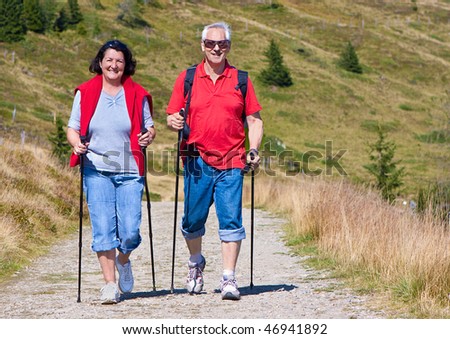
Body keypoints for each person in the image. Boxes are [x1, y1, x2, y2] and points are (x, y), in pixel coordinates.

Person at [166, 22, 263, 300]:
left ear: (229, 46)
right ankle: (196, 261)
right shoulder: (187, 78)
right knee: (192, 220)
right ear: (202, 45)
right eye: (210, 43)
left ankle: (229, 278)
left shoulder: (240, 79)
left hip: (232, 159)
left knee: (231, 219)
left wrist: (252, 149)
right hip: (196, 160)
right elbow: (173, 114)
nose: (216, 48)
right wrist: (173, 121)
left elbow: (254, 120)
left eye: (221, 43)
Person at [67, 40, 156, 304]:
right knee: (103, 229)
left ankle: (123, 259)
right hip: (96, 169)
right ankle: (109, 284)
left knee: (130, 231)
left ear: (126, 65)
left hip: (130, 170)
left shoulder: (138, 94)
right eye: (109, 59)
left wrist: (148, 137)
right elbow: (72, 127)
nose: (113, 65)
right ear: (100, 62)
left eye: (119, 60)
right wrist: (76, 143)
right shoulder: (86, 92)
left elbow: (150, 128)